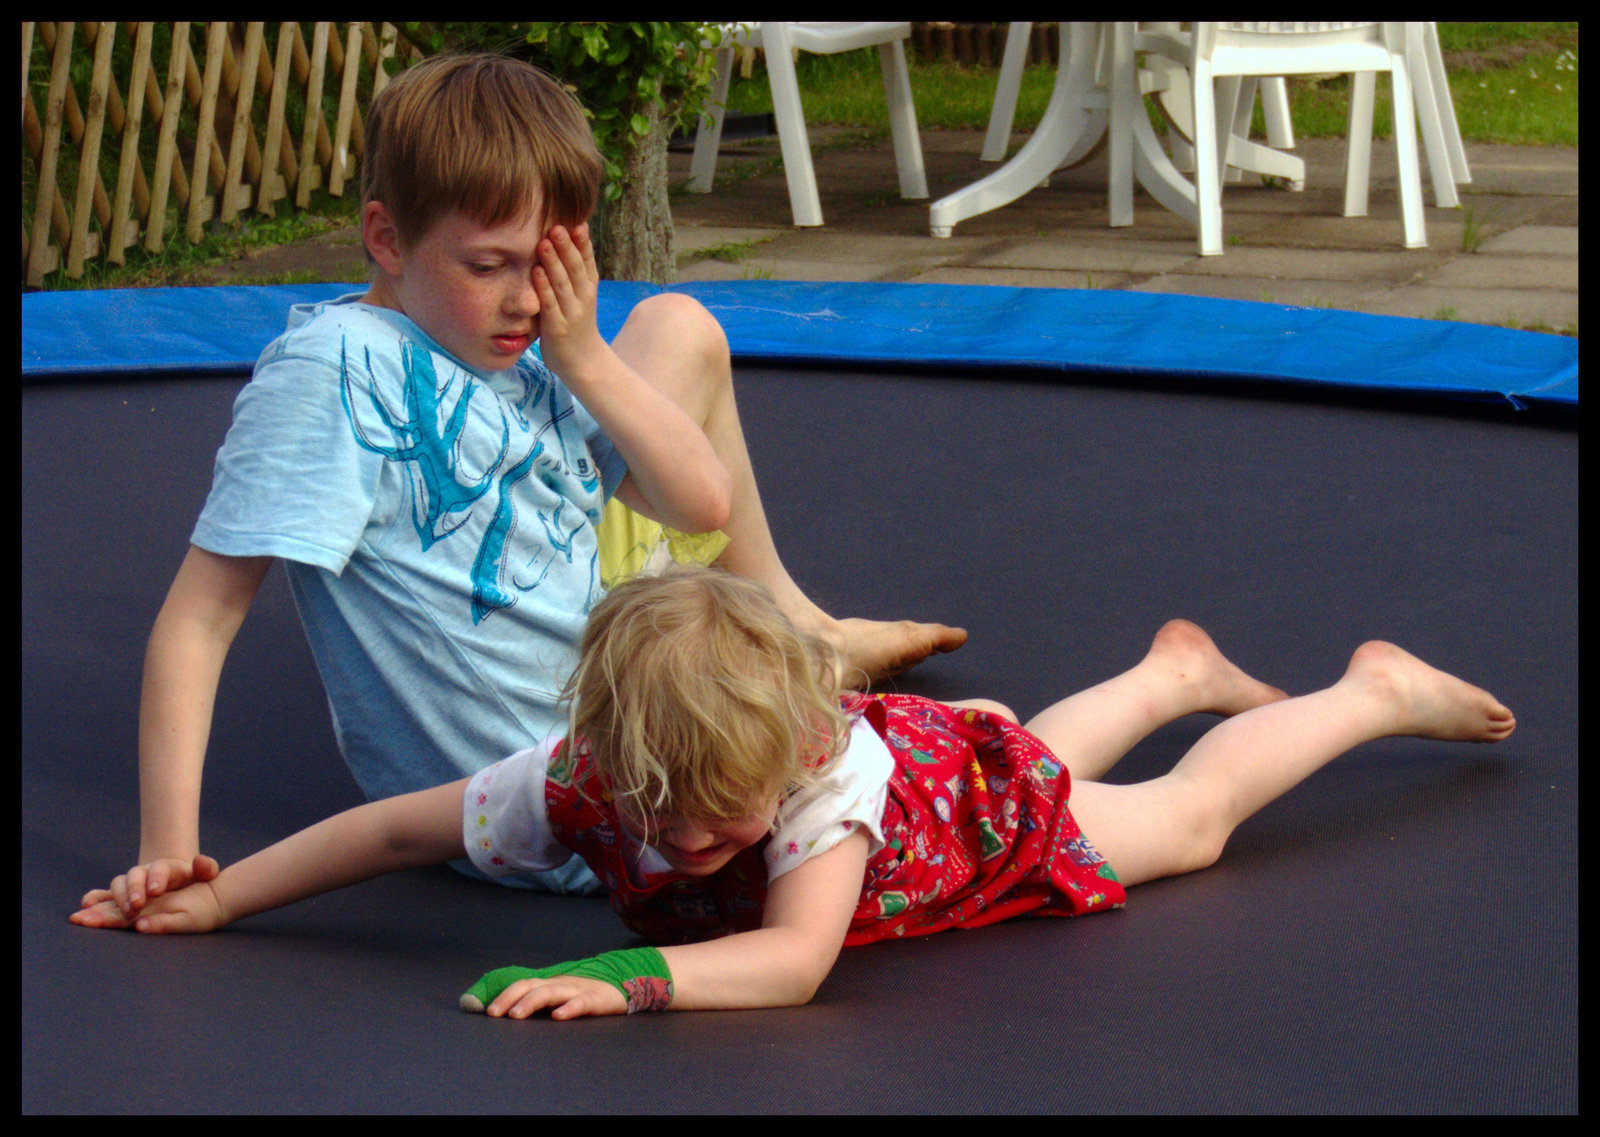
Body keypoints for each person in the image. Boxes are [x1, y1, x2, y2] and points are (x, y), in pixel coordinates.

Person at [76, 52, 965, 922]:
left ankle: (803, 635)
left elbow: (703, 504)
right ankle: (808, 665)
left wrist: (579, 356)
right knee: (975, 772)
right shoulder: (332, 379)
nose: (526, 302)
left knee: (678, 326)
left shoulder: (514, 357)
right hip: (582, 798)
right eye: (488, 266)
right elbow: (201, 616)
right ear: (386, 239)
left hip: (614, 672)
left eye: (545, 265)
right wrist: (167, 848)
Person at [72, 565, 1516, 1021]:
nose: (692, 840)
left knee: (1180, 827)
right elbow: (389, 829)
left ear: (789, 761)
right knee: (1040, 750)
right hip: (933, 760)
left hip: (960, 821)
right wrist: (221, 891)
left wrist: (627, 974)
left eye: (723, 818)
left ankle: (1367, 692)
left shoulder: (816, 794)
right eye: (667, 819)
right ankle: (1167, 668)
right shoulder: (585, 774)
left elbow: (794, 955)